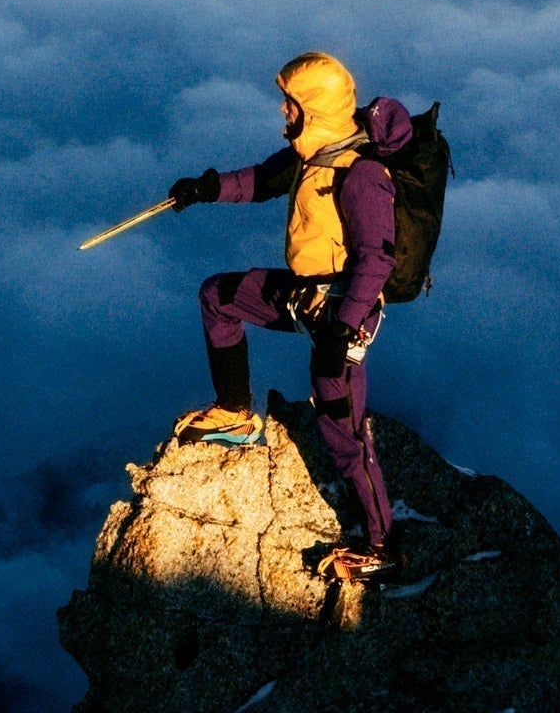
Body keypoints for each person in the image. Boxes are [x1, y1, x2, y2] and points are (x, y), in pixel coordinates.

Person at [163, 51, 411, 582]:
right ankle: (234, 413)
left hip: (343, 313)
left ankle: (382, 543)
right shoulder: (310, 154)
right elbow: (260, 180)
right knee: (219, 296)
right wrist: (205, 189)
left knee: (340, 425)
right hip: (306, 295)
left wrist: (343, 329)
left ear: (314, 107)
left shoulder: (362, 172)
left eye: (290, 103)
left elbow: (378, 259)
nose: (282, 111)